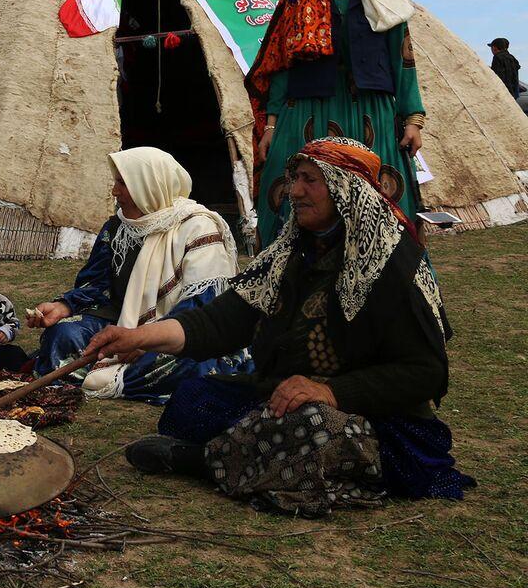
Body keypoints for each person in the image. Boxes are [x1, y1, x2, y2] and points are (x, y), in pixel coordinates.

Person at [88, 138, 475, 517]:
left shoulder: (392, 265)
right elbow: (221, 321)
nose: (295, 191)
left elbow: (425, 373)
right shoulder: (289, 253)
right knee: (194, 397)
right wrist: (140, 337)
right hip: (285, 397)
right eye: (294, 179)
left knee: (312, 427)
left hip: (375, 419)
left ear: (347, 189)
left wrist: (329, 391)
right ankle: (248, 455)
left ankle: (203, 461)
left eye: (310, 180)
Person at [248, 0, 425, 248]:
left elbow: (402, 60)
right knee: (295, 201)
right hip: (305, 115)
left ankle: (382, 291)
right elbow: (283, 64)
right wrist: (271, 124)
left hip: (370, 114)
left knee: (379, 203)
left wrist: (413, 119)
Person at [29, 147, 250, 402]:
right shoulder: (117, 228)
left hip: (178, 332)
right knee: (63, 335)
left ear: (148, 185)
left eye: (123, 183)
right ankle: (111, 372)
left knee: (193, 364)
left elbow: (205, 303)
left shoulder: (198, 227)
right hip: (121, 324)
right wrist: (64, 306)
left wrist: (146, 338)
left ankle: (99, 376)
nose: (114, 192)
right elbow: (98, 284)